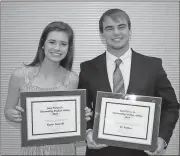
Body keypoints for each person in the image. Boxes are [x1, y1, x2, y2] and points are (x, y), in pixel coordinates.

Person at [78, 8, 179, 156]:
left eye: (121, 27)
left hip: (142, 152)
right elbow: (82, 107)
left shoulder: (153, 66)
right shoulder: (88, 68)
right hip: (101, 151)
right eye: (109, 28)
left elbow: (171, 106)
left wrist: (162, 138)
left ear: (130, 31)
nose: (116, 33)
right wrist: (87, 132)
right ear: (102, 35)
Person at [4, 21, 79, 155]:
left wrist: (81, 116)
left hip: (65, 150)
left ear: (69, 48)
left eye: (63, 44)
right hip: (33, 150)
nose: (57, 48)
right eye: (52, 42)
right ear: (42, 44)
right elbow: (7, 110)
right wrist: (13, 114)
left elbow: (70, 118)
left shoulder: (73, 79)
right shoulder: (20, 75)